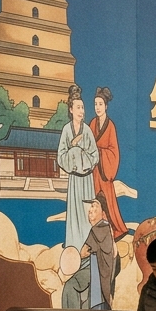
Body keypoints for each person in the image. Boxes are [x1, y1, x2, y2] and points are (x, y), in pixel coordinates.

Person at [60, 193, 118, 311]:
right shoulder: (106, 229)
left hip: (97, 272)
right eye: (90, 207)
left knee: (70, 286)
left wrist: (74, 258)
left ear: (103, 213)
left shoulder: (99, 229)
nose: (90, 210)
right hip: (97, 271)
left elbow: (83, 252)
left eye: (94, 206)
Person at [57, 84, 100, 250]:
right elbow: (61, 156)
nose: (82, 111)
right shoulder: (66, 130)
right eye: (78, 107)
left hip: (87, 179)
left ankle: (88, 245)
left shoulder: (87, 131)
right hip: (75, 179)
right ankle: (74, 244)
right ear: (71, 109)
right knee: (74, 213)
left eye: (83, 107)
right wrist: (73, 150)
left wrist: (80, 150)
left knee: (87, 212)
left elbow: (95, 155)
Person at [88, 87, 127, 240]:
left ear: (106, 106)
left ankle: (114, 229)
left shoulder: (110, 126)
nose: (97, 107)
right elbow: (88, 143)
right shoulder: (92, 123)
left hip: (105, 169)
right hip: (94, 170)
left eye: (100, 104)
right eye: (95, 104)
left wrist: (100, 153)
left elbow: (114, 151)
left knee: (108, 203)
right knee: (94, 200)